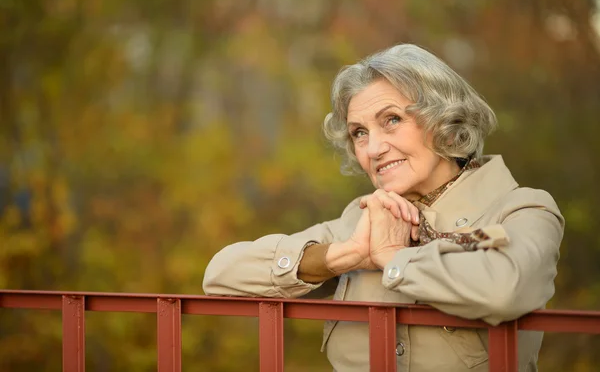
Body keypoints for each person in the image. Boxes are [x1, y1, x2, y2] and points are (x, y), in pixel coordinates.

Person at [203, 44, 564, 371]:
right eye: (359, 132)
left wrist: (394, 257)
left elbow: (504, 290)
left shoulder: (524, 209)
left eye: (392, 120)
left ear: (446, 121)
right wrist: (342, 256)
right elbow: (220, 276)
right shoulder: (361, 220)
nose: (373, 148)